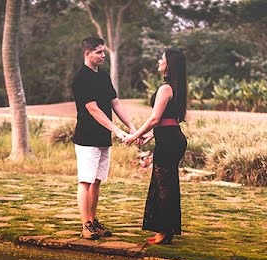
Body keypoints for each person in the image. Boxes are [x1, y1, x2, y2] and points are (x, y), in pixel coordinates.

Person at [71, 36, 136, 240]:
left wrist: (132, 128)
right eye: (99, 52)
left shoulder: (104, 76)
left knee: (97, 181)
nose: (103, 55)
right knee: (86, 181)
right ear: (87, 54)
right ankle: (85, 225)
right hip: (86, 137)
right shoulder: (81, 78)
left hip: (102, 137)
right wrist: (117, 131)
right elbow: (93, 109)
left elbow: (115, 104)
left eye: (103, 51)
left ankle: (93, 220)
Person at [124, 49, 188, 245]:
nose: (159, 61)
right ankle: (165, 229)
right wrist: (150, 135)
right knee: (165, 184)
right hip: (171, 139)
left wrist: (134, 135)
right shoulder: (176, 87)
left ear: (169, 65)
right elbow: (169, 120)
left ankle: (165, 232)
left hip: (169, 142)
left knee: (164, 186)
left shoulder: (165, 88)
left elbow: (155, 118)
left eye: (162, 58)